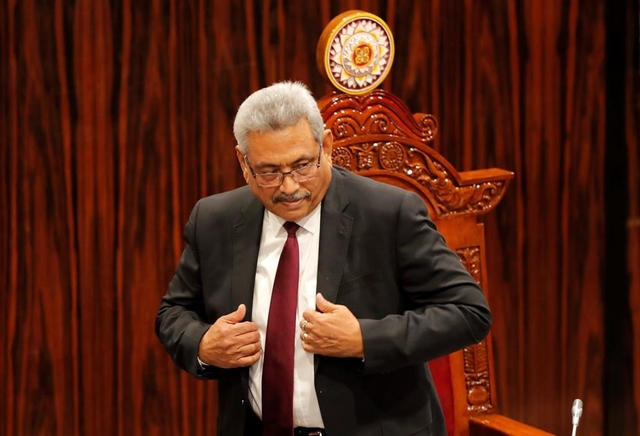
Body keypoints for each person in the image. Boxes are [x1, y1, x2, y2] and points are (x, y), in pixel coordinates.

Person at [156, 81, 492, 436]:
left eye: (303, 165)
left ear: (326, 147)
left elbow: (469, 312)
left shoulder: (389, 214)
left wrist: (364, 338)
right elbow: (172, 314)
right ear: (243, 161)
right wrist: (204, 345)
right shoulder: (214, 220)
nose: (289, 187)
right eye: (269, 171)